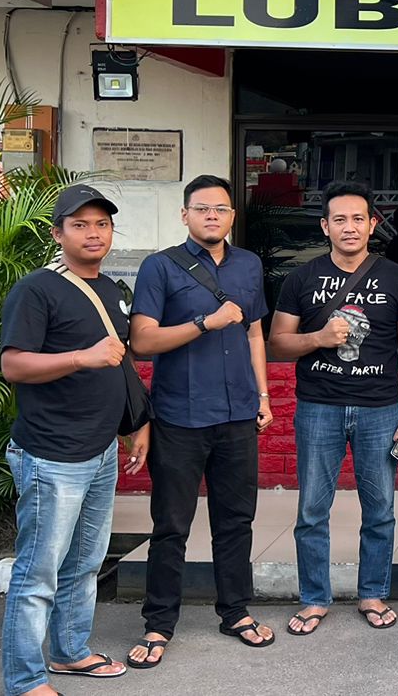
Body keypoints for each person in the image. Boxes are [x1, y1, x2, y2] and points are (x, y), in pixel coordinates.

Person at [0, 184, 149, 696]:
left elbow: (121, 361)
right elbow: (14, 365)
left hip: (100, 449)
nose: (93, 233)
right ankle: (24, 680)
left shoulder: (112, 289)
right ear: (57, 233)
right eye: (80, 224)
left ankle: (69, 652)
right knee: (38, 573)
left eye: (102, 224)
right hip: (51, 454)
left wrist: (136, 424)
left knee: (85, 563)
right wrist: (81, 357)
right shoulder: (36, 290)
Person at [126, 174, 275, 668]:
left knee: (236, 521)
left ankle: (235, 611)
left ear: (233, 216)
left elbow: (254, 334)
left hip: (237, 415)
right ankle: (158, 622)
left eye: (221, 209)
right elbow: (142, 341)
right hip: (180, 417)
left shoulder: (249, 264)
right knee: (171, 525)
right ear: (185, 214)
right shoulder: (160, 266)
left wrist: (263, 395)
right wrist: (204, 323)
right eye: (202, 208)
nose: (212, 215)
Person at [268, 181, 398, 635]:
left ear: (373, 224)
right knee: (312, 511)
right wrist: (318, 338)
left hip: (380, 408)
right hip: (319, 407)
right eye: (340, 219)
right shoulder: (302, 278)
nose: (350, 227)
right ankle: (314, 598)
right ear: (325, 226)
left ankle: (372, 593)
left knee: (380, 509)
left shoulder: (396, 278)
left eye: (359, 218)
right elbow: (278, 343)